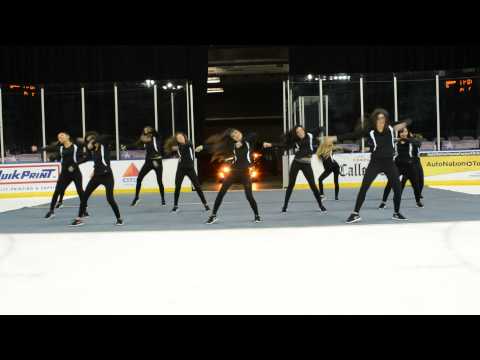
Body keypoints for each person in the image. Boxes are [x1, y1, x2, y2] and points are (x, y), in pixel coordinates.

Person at [324, 109, 412, 223]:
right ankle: (355, 213)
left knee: (397, 188)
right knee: (364, 187)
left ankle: (396, 212)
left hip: (389, 163)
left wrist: (404, 123)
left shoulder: (391, 128)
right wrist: (334, 138)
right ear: (375, 120)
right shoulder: (370, 131)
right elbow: (353, 134)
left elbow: (408, 120)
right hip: (375, 163)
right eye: (379, 118)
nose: (381, 120)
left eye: (383, 118)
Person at [203, 128, 272, 224]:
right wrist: (203, 147)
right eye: (233, 136)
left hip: (245, 173)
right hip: (233, 173)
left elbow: (254, 133)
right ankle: (213, 215)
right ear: (232, 139)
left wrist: (242, 141)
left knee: (249, 196)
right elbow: (215, 147)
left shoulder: (248, 142)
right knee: (221, 193)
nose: (236, 136)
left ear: (240, 132)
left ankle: (257, 215)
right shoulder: (232, 145)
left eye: (236, 133)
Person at [70, 132, 123, 227]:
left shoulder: (104, 146)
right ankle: (78, 219)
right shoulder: (93, 151)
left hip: (107, 176)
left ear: (95, 140)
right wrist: (75, 164)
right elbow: (85, 159)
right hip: (96, 177)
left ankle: (119, 219)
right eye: (87, 141)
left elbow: (107, 136)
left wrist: (94, 140)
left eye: (90, 141)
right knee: (84, 197)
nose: (88, 143)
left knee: (110, 199)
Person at [280, 125, 327, 213]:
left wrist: (321, 130)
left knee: (313, 185)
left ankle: (321, 205)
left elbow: (320, 129)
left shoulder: (310, 135)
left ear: (304, 130)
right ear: (296, 134)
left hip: (306, 164)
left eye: (301, 130)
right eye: (297, 132)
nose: (300, 132)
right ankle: (285, 206)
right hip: (296, 163)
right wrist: (271, 144)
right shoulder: (295, 140)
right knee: (291, 185)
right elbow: (283, 146)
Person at [43, 132, 87, 219]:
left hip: (75, 173)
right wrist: (41, 149)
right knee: (57, 191)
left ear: (68, 136)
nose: (60, 138)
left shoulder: (75, 147)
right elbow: (50, 149)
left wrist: (75, 165)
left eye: (62, 136)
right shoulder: (60, 148)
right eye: (59, 137)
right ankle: (51, 211)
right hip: (64, 174)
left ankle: (84, 210)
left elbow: (84, 158)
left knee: (80, 191)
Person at [164, 132, 210, 212]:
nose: (180, 138)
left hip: (190, 169)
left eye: (181, 137)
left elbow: (185, 146)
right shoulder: (178, 146)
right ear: (177, 140)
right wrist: (172, 149)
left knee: (197, 187)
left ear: (184, 137)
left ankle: (205, 205)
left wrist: (201, 147)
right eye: (178, 138)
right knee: (177, 187)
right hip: (181, 169)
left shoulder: (189, 144)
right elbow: (170, 151)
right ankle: (175, 206)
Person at [379, 127, 424, 209]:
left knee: (415, 185)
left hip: (409, 166)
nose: (403, 133)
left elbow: (418, 143)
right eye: (402, 132)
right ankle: (383, 202)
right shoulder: (395, 143)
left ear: (407, 133)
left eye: (405, 132)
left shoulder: (411, 142)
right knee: (390, 183)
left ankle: (418, 201)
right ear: (399, 133)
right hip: (398, 165)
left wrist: (404, 139)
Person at [130, 126, 166, 207]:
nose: (146, 131)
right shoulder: (145, 140)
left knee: (159, 181)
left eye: (147, 130)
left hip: (157, 161)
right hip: (149, 162)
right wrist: (126, 147)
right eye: (144, 130)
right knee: (139, 178)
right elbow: (136, 143)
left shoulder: (157, 137)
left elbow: (156, 133)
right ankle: (136, 198)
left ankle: (163, 199)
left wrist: (150, 130)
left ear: (151, 131)